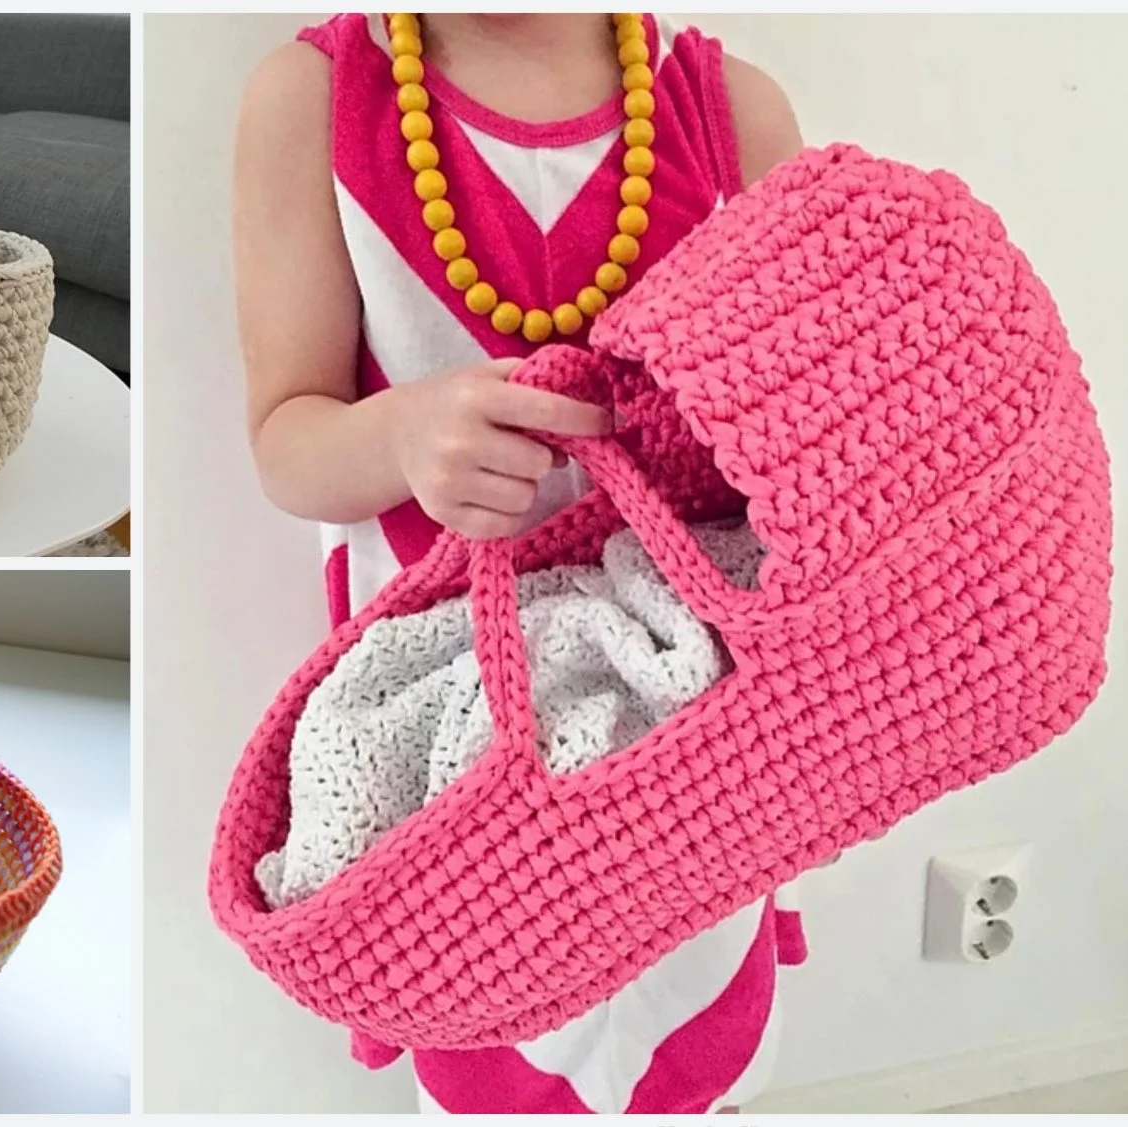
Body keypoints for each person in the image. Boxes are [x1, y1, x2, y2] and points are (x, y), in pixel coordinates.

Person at [232, 12, 808, 1115]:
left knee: (693, 1053)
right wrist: (401, 436)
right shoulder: (314, 102)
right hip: (459, 745)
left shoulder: (733, 113)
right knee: (493, 1059)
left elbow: (796, 456)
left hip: (690, 729)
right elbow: (286, 441)